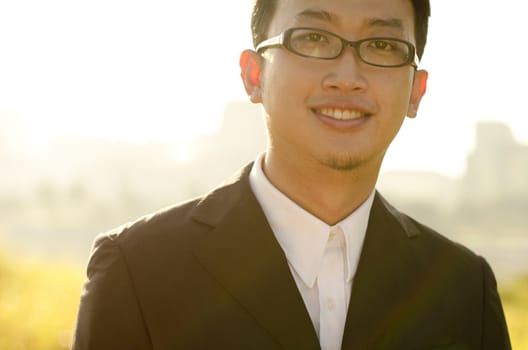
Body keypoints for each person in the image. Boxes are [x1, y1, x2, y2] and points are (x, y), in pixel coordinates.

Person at [72, 0, 512, 349]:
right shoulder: (137, 269)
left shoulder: (463, 289)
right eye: (314, 38)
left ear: (416, 91)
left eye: (382, 45)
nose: (347, 77)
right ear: (253, 75)